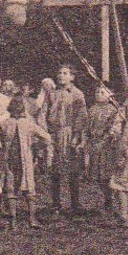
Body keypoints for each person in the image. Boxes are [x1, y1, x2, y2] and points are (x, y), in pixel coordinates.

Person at [0, 96, 50, 230]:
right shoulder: (28, 123)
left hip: (8, 159)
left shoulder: (4, 123)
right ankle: (32, 219)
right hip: (24, 159)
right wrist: (37, 147)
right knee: (29, 188)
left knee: (10, 189)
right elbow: (47, 138)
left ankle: (13, 221)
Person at [46, 65, 89, 215]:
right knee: (55, 170)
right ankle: (56, 203)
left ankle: (75, 203)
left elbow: (81, 116)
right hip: (55, 133)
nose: (61, 76)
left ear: (72, 77)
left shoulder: (77, 94)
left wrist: (76, 137)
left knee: (73, 169)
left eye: (65, 73)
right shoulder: (52, 94)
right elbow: (46, 113)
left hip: (70, 133)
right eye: (59, 73)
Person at [84, 85, 123, 213]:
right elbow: (87, 128)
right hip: (95, 145)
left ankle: (114, 201)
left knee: (108, 175)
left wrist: (107, 138)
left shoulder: (113, 110)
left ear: (110, 95)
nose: (99, 94)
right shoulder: (92, 110)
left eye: (102, 92)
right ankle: (107, 198)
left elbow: (115, 128)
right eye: (97, 92)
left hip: (108, 147)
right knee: (98, 176)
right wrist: (86, 141)